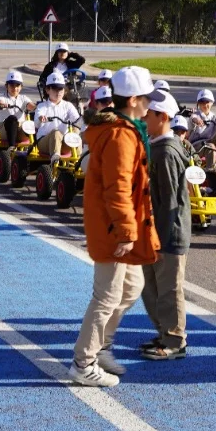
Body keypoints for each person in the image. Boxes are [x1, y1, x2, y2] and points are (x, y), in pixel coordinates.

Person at [70, 66, 160, 387]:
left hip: (121, 227)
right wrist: (125, 232)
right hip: (114, 228)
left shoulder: (128, 129)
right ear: (133, 99)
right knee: (106, 296)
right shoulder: (121, 135)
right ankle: (84, 362)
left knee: (130, 288)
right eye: (147, 96)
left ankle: (102, 346)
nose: (150, 102)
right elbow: (117, 187)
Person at [140, 90, 192, 360]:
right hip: (155, 231)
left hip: (167, 234)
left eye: (148, 113)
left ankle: (174, 341)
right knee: (152, 288)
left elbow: (170, 201)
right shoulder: (156, 146)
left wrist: (159, 239)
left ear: (162, 117)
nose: (143, 117)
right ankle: (164, 332)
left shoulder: (167, 152)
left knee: (169, 289)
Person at [33, 72, 84, 160]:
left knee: (76, 131)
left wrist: (83, 122)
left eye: (61, 89)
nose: (58, 92)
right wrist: (41, 118)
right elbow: (37, 122)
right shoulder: (42, 106)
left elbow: (77, 121)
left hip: (63, 141)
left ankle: (79, 160)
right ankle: (55, 159)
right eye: (55, 89)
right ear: (47, 90)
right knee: (56, 132)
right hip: (44, 142)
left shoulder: (68, 105)